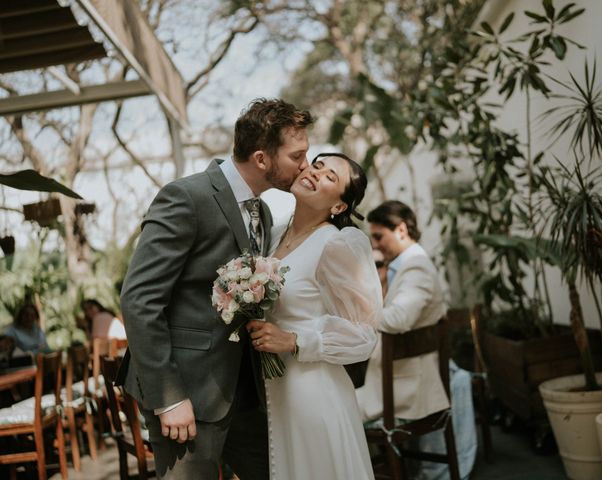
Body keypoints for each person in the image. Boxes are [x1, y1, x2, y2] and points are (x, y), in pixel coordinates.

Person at [116, 98, 313, 480]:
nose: (305, 165)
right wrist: (169, 396)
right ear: (261, 159)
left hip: (246, 391)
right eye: (297, 156)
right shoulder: (187, 197)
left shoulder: (264, 211)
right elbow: (139, 300)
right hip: (187, 393)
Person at [247, 153, 383, 480]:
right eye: (318, 165)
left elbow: (365, 335)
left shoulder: (338, 244)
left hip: (314, 396)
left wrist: (295, 340)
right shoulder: (272, 233)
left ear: (339, 207)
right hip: (269, 392)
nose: (316, 173)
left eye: (330, 177)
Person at [356, 200, 450, 423]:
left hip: (405, 389)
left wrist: (354, 310)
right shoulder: (406, 266)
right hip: (394, 382)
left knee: (331, 412)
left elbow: (398, 319)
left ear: (401, 230)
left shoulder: (416, 267)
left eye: (379, 237)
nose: (375, 245)